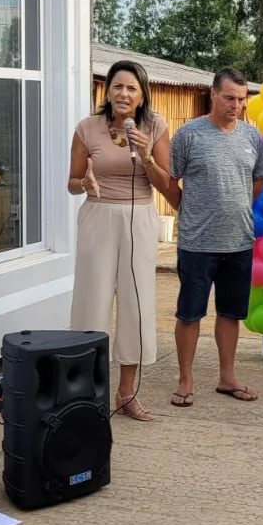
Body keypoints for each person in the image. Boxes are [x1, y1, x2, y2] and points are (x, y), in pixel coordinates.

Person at [67, 60, 174, 421]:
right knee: (91, 302)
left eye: (131, 88)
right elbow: (72, 182)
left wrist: (144, 155)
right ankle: (84, 393)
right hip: (97, 215)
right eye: (117, 87)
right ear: (107, 91)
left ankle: (126, 393)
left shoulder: (155, 126)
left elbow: (166, 187)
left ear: (142, 94)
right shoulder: (87, 128)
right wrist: (86, 184)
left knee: (135, 303)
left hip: (139, 216)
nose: (123, 94)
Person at [166, 68, 263, 407]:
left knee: (230, 313)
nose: (236, 105)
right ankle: (185, 378)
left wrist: (234, 208)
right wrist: (191, 212)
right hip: (197, 244)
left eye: (241, 99)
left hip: (239, 241)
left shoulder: (252, 137)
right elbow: (171, 182)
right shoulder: (188, 135)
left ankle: (227, 377)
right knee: (190, 314)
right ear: (213, 94)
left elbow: (257, 181)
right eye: (229, 98)